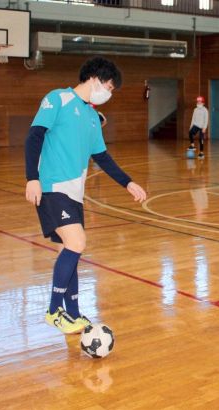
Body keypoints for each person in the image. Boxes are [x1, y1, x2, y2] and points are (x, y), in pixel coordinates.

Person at [24, 56, 147, 335]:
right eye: (110, 87)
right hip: (53, 186)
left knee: (70, 250)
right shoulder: (58, 99)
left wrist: (127, 183)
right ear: (94, 78)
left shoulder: (92, 117)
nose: (109, 93)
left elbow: (102, 156)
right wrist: (32, 178)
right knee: (77, 242)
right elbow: (34, 137)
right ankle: (54, 310)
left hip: (75, 193)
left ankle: (74, 313)